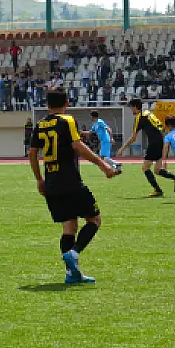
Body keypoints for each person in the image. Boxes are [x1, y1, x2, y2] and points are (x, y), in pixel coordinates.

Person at [29, 89, 117, 284]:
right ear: (67, 103)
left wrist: (39, 179)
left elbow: (33, 153)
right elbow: (77, 146)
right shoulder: (68, 120)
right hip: (70, 181)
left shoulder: (40, 124)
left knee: (69, 227)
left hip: (51, 182)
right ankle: (74, 254)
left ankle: (71, 274)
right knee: (94, 220)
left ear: (47, 105)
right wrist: (103, 165)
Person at [115, 98, 175, 197]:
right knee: (157, 170)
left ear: (135, 107)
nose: (131, 110)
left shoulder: (140, 117)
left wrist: (122, 148)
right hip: (162, 141)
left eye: (131, 108)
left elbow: (133, 138)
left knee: (145, 168)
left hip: (155, 143)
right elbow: (161, 128)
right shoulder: (149, 113)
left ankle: (158, 190)